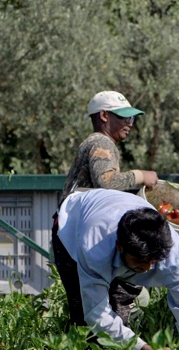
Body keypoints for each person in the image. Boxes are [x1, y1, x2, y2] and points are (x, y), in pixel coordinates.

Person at [54, 188, 179, 350]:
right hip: (73, 225)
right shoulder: (93, 247)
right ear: (120, 247)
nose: (147, 269)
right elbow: (96, 313)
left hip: (115, 221)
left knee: (120, 314)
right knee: (87, 328)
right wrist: (145, 349)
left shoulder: (176, 257)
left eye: (153, 261)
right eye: (140, 262)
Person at [54, 90, 160, 328]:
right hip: (78, 238)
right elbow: (107, 182)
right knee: (101, 312)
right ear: (103, 116)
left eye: (132, 118)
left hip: (70, 235)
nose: (130, 123)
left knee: (86, 312)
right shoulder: (101, 142)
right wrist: (142, 176)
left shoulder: (96, 143)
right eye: (123, 117)